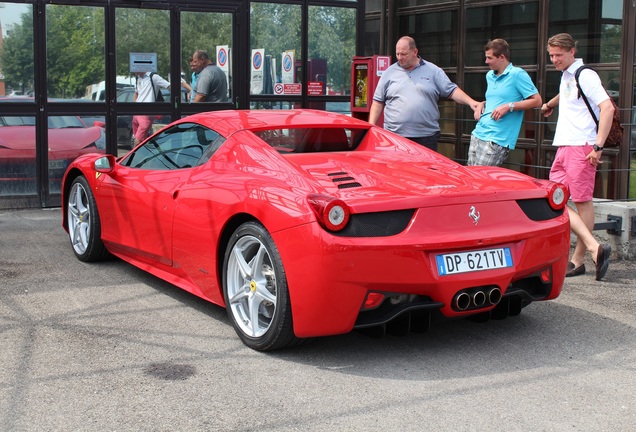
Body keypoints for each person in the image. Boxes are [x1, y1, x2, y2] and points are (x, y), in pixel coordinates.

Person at [541, 33, 612, 280]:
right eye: (551, 55)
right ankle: (595, 248)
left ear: (572, 52)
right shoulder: (568, 75)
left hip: (581, 147)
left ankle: (580, 258)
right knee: (556, 198)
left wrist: (598, 146)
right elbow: (568, 93)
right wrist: (550, 103)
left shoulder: (586, 74)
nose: (554, 59)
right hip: (564, 145)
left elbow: (607, 107)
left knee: (582, 202)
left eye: (558, 55)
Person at [368, 36, 480, 151]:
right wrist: (370, 127)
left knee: (424, 169)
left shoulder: (433, 71)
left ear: (415, 52)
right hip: (394, 136)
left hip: (425, 137)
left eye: (404, 54)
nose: (399, 58)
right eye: (397, 54)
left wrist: (471, 102)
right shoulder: (389, 73)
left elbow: (451, 90)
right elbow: (378, 102)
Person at [468, 39, 542, 166]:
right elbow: (498, 98)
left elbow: (537, 101)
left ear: (502, 57)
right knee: (471, 181)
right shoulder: (489, 76)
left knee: (483, 182)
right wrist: (482, 104)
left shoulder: (517, 74)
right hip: (478, 133)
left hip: (496, 139)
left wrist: (509, 106)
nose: (486, 62)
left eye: (489, 58)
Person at [132, 71, 170, 146]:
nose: (133, 70)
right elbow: (136, 93)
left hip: (146, 113)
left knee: (138, 141)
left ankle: (135, 157)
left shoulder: (153, 77)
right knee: (140, 141)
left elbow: (169, 85)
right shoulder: (138, 78)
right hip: (137, 113)